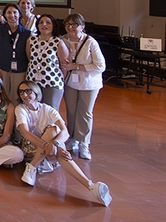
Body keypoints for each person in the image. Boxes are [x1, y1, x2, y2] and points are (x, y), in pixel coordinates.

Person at [15, 81, 112, 206]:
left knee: (54, 130)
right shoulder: (20, 109)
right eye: (21, 92)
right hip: (31, 148)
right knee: (54, 133)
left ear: (36, 92)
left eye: (28, 91)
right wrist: (49, 146)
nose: (25, 95)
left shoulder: (48, 109)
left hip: (50, 150)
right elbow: (25, 133)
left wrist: (54, 145)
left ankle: (91, 187)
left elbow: (65, 132)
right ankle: (32, 165)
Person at [60, 13, 106, 160]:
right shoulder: (62, 40)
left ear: (82, 27)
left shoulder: (90, 42)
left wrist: (77, 66)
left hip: (89, 83)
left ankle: (84, 143)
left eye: (74, 25)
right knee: (71, 111)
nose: (70, 27)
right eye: (68, 24)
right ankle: (72, 139)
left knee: (85, 112)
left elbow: (100, 65)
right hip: (70, 82)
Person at [26, 14, 69, 110]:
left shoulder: (58, 42)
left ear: (53, 25)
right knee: (34, 111)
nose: (44, 24)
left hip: (52, 82)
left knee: (50, 112)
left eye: (48, 22)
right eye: (41, 22)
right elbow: (30, 58)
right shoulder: (31, 40)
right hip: (33, 82)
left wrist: (58, 79)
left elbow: (64, 65)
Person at [0, 3, 31, 102]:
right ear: (5, 15)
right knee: (2, 96)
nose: (12, 15)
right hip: (3, 69)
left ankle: (16, 117)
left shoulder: (27, 33)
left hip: (20, 71)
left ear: (19, 14)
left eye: (14, 12)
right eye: (9, 12)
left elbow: (29, 56)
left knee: (17, 98)